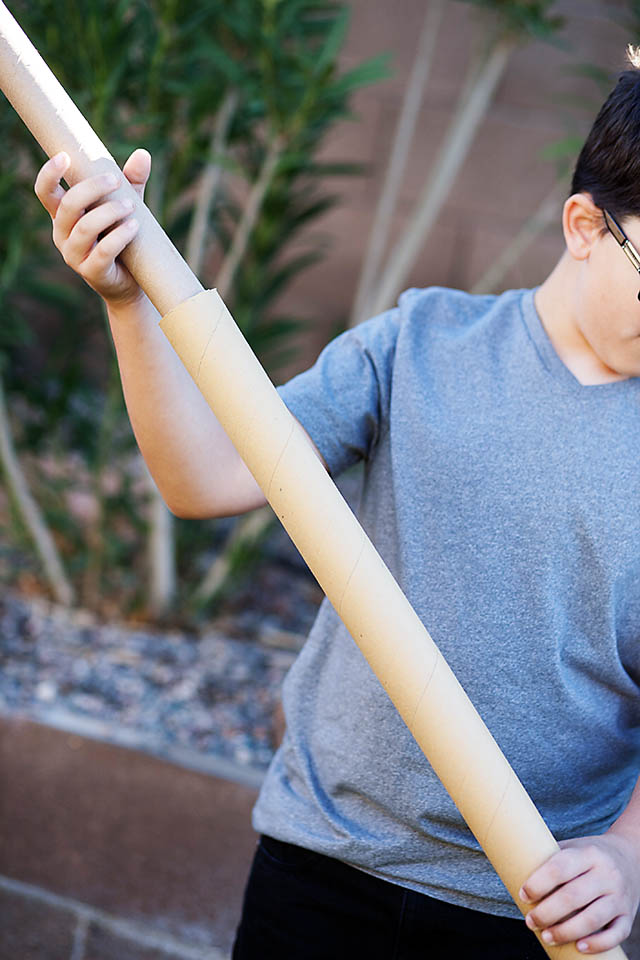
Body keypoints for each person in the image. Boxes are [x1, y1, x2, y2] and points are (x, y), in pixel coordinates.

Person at [33, 52, 640, 959]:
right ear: (585, 224)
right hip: (322, 867)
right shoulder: (419, 347)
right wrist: (129, 304)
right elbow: (202, 478)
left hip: (528, 914)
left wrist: (627, 857)